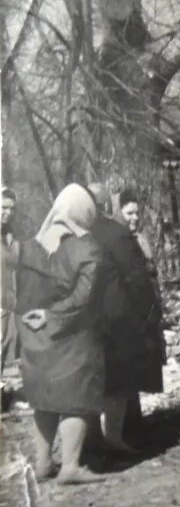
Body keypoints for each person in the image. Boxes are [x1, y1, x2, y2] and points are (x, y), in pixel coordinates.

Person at [16, 184, 105, 483]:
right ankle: (70, 466)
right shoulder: (87, 246)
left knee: (43, 399)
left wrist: (34, 318)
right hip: (72, 337)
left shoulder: (29, 246)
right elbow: (85, 297)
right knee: (73, 400)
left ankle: (43, 464)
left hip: (34, 336)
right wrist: (54, 316)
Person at [88, 187, 165, 451]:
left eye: (137, 213)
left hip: (128, 314)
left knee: (133, 370)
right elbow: (133, 280)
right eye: (128, 212)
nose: (134, 218)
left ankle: (129, 424)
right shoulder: (114, 237)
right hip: (124, 316)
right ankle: (118, 432)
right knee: (122, 373)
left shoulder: (135, 238)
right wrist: (147, 310)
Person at [1, 187, 19, 387]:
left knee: (4, 345)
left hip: (8, 300)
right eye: (4, 207)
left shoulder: (9, 235)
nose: (8, 212)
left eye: (12, 208)